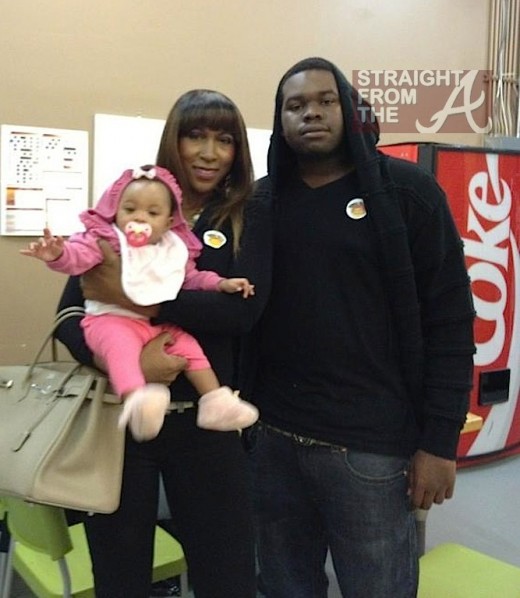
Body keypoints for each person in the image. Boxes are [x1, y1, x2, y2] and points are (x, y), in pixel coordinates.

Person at [245, 57, 476, 598]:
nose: (311, 113)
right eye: (295, 105)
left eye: (325, 101)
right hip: (273, 441)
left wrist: (439, 443)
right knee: (284, 587)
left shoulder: (409, 194)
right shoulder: (260, 203)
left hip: (370, 451)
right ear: (280, 121)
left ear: (350, 109)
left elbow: (450, 322)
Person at [54, 89, 272, 598]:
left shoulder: (247, 215)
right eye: (195, 136)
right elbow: (71, 314)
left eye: (224, 140)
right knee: (119, 577)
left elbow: (241, 314)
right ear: (174, 140)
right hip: (123, 421)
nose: (209, 153)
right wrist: (126, 361)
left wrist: (139, 301)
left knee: (227, 577)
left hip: (206, 426)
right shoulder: (132, 206)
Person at [22, 164, 259, 440]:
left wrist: (220, 284)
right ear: (115, 211)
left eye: (152, 213)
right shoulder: (106, 241)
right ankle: (136, 401)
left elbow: (191, 278)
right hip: (108, 321)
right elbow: (77, 258)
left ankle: (215, 401)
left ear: (169, 222)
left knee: (187, 346)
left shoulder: (172, 248)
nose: (139, 217)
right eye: (130, 209)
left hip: (151, 327)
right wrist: (57, 255)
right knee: (120, 349)